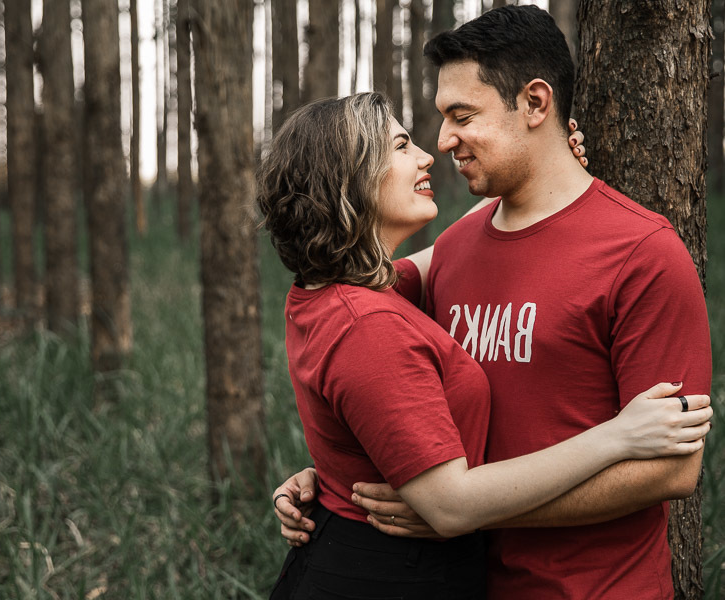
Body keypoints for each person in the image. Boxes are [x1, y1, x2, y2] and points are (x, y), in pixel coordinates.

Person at [272, 6, 714, 600]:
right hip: (462, 581)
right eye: (435, 122)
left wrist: (461, 510)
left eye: (463, 115)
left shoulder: (643, 254)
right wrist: (336, 481)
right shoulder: (444, 256)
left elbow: (671, 467)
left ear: (535, 104)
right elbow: (349, 333)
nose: (441, 141)